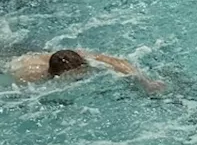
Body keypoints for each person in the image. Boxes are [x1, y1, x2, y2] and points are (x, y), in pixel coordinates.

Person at [5, 49, 165, 94]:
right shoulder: (29, 76)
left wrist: (146, 83)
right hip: (9, 59)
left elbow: (120, 63)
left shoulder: (83, 55)